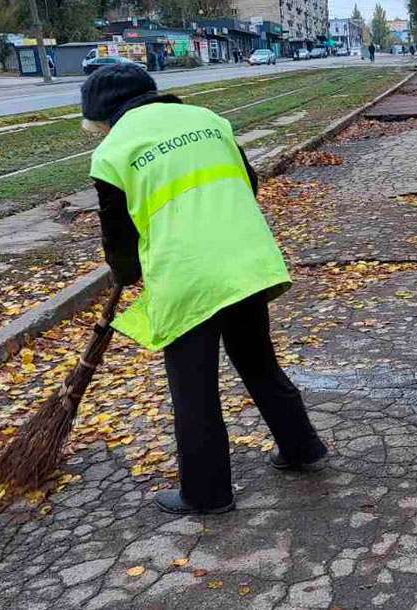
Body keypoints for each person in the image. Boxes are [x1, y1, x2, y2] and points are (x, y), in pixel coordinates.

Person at [80, 64, 328, 515]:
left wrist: (125, 274)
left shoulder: (113, 150)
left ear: (103, 119)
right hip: (245, 264)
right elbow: (247, 184)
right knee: (258, 364)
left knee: (193, 390)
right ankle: (302, 449)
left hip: (187, 277)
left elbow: (119, 241)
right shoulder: (210, 121)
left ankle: (207, 494)